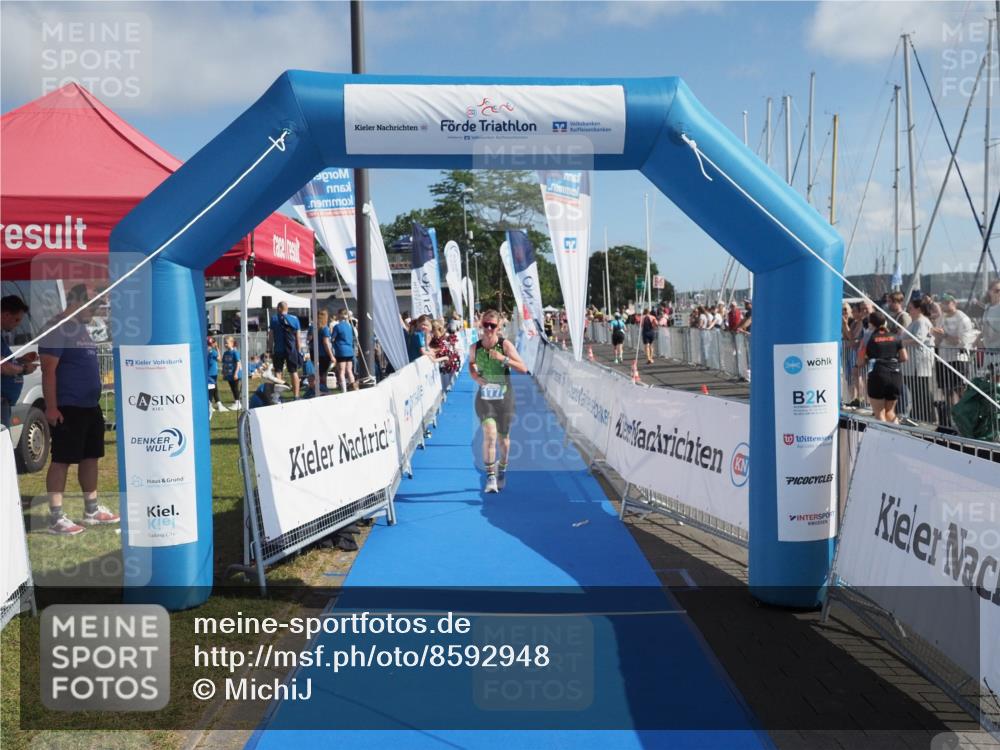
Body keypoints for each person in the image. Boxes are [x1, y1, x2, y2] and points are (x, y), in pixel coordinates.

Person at [39, 284, 118, 535]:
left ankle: (91, 510)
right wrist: (51, 407)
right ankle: (55, 517)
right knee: (61, 460)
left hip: (89, 406)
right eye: (93, 305)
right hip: (67, 407)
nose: (96, 311)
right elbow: (48, 370)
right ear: (77, 300)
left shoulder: (81, 328)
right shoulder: (57, 327)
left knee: (90, 457)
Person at [469, 310, 528, 493]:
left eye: (492, 325)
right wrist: (475, 376)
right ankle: (491, 478)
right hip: (485, 398)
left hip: (505, 398)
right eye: (485, 324)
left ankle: (502, 467)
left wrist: (504, 359)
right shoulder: (475, 347)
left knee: (504, 440)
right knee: (490, 434)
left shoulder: (505, 345)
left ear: (498, 327)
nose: (488, 328)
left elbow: (523, 368)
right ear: (480, 324)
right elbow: (471, 364)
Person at [931, 292, 976, 417]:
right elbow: (938, 339)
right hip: (943, 359)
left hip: (958, 359)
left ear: (954, 302)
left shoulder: (963, 318)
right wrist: (937, 336)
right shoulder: (941, 318)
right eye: (942, 303)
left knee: (960, 390)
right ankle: (953, 416)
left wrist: (945, 335)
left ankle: (966, 416)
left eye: (947, 302)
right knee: (946, 390)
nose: (944, 305)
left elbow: (962, 342)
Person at [859, 309, 908, 423]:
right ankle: (897, 437)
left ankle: (884, 439)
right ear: (885, 322)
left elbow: (860, 361)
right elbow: (904, 357)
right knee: (890, 412)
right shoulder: (895, 336)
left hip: (878, 375)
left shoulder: (867, 338)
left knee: (879, 414)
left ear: (871, 324)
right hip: (895, 375)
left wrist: (867, 360)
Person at [1, 295, 38, 428]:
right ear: (5, 315)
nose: (17, 325)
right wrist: (23, 369)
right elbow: (2, 366)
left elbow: (4, 361)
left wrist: (21, 360)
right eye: (16, 320)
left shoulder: (2, 337)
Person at [901, 298, 936, 423]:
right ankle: (917, 415)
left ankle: (924, 417)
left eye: (910, 308)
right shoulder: (914, 321)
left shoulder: (921, 322)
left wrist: (900, 342)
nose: (908, 310)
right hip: (911, 364)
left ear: (918, 309)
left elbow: (918, 339)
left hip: (919, 363)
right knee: (916, 390)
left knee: (920, 390)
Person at [269, 302, 301, 399]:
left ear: (279, 308)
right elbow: (298, 338)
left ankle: (278, 396)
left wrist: (270, 349)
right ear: (287, 308)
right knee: (293, 372)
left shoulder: (274, 319)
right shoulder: (295, 319)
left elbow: (270, 336)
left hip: (278, 349)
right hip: (291, 350)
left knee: (278, 372)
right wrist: (298, 351)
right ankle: (296, 396)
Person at [332, 308, 357, 393]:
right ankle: (353, 388)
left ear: (339, 315)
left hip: (341, 351)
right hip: (350, 351)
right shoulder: (350, 326)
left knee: (341, 371)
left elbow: (332, 339)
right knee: (349, 370)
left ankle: (344, 390)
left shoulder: (337, 327)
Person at [221, 336, 242, 410]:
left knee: (235, 388)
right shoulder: (225, 353)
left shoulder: (235, 352)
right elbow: (224, 363)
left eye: (227, 343)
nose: (225, 345)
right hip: (228, 374)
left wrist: (236, 373)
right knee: (232, 388)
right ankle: (236, 402)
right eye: (225, 343)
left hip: (234, 374)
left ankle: (238, 403)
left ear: (232, 343)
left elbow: (238, 363)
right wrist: (223, 372)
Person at [315, 309, 334, 393]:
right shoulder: (325, 329)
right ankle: (324, 389)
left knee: (320, 373)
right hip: (324, 354)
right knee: (323, 374)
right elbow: (326, 343)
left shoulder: (316, 328)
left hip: (318, 353)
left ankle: (320, 389)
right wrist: (331, 356)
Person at [206, 337, 225, 416]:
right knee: (212, 389)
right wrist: (217, 348)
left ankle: (216, 404)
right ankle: (211, 405)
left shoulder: (205, 351)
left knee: (212, 389)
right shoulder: (213, 352)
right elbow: (220, 359)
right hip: (213, 374)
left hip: (207, 373)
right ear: (213, 344)